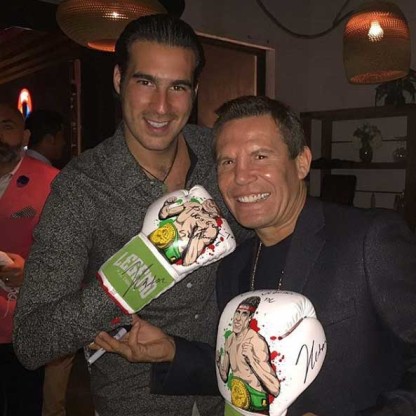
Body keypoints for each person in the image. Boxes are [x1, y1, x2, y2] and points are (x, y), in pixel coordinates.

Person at [93, 95, 416, 416]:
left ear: (302, 162)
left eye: (260, 156)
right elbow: (244, 371)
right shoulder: (234, 264)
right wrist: (171, 351)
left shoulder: (368, 239)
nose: (241, 177)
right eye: (227, 162)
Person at [13, 14, 248, 416]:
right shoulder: (81, 188)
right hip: (136, 400)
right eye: (145, 82)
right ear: (119, 79)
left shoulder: (220, 154)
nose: (162, 106)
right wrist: (135, 272)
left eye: (178, 87)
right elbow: (32, 341)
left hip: (224, 387)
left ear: (194, 92)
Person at [0, 103, 59, 415]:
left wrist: (32, 271)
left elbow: (76, 255)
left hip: (22, 324)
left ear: (24, 136)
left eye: (6, 126)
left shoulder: (52, 183)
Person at [24, 107, 74, 416]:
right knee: (54, 376)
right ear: (51, 138)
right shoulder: (56, 181)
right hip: (50, 291)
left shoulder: (11, 173)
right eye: (62, 138)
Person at [216, 296, 280, 413]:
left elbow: (275, 389)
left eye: (244, 314)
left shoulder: (256, 341)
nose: (238, 318)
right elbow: (224, 376)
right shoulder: (230, 339)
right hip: (235, 400)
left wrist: (251, 360)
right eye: (237, 313)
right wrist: (219, 363)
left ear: (250, 318)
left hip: (256, 403)